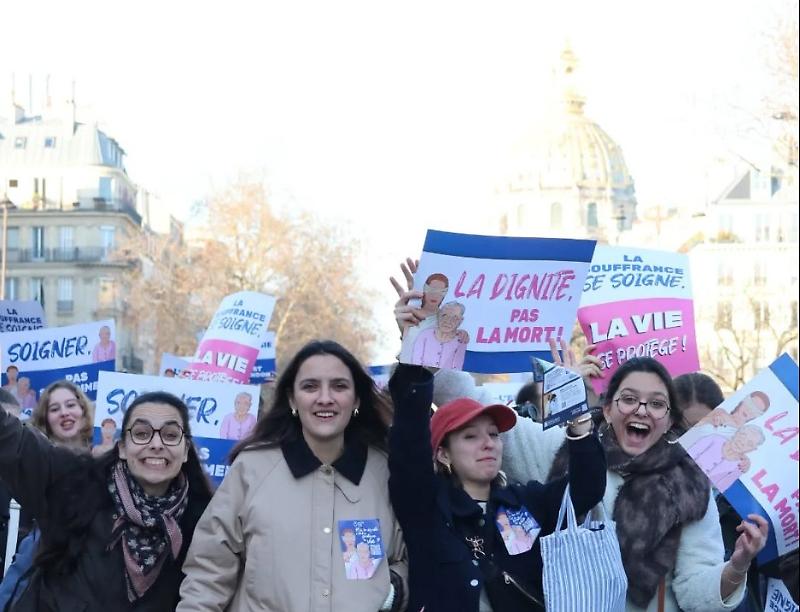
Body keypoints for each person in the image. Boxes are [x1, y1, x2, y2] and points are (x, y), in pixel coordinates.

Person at [389, 289, 606, 612]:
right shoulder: (426, 506)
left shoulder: (526, 502)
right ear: (443, 454)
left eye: (493, 434)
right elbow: (408, 437)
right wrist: (418, 356)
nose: (488, 442)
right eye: (470, 437)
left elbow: (586, 490)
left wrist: (575, 412)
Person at [503, 356, 769, 612]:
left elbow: (694, 591)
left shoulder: (690, 484)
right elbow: (485, 426)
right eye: (629, 399)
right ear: (607, 410)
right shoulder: (564, 449)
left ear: (669, 421)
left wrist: (736, 566)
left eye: (656, 404)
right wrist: (563, 395)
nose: (642, 410)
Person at [178, 340, 408, 612]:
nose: (325, 398)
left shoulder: (385, 471)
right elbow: (209, 570)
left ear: (356, 398)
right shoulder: (252, 468)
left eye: (339, 386)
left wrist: (392, 589)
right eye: (310, 386)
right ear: (291, 398)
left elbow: (414, 554)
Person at [0, 390, 213, 611]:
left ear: (186, 450)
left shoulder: (205, 524)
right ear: (122, 448)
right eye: (141, 433)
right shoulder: (75, 485)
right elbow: (13, 442)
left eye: (170, 435)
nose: (156, 444)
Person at [686, 424, 765, 492]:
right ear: (737, 432)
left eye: (749, 444)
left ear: (752, 450)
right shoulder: (714, 439)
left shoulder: (740, 466)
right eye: (743, 435)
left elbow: (720, 487)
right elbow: (688, 453)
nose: (742, 442)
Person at [409, 301, 468, 370]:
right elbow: (416, 361)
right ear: (438, 315)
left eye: (455, 318)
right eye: (444, 315)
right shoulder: (425, 335)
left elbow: (457, 367)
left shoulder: (461, 340)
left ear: (460, 321)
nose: (448, 321)